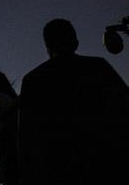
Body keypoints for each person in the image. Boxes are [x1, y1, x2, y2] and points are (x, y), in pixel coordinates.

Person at [19, 19, 129, 184]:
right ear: (76, 42)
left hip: (58, 168)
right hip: (105, 162)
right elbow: (124, 109)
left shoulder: (33, 80)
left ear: (47, 47)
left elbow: (27, 137)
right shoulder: (99, 67)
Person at [0, 72, 18, 185]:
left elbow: (2, 116)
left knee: (7, 163)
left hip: (5, 134)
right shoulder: (7, 96)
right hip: (9, 133)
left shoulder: (0, 96)